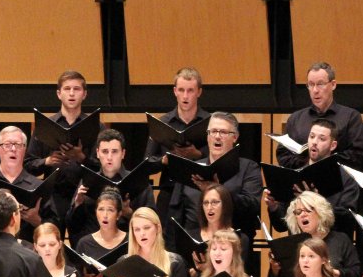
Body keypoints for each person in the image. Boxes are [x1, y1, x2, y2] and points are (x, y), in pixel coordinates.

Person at [168, 112, 263, 252]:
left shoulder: (248, 168)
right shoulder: (190, 168)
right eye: (213, 131)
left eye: (223, 132)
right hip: (193, 250)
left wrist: (218, 189)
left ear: (235, 137)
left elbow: (252, 206)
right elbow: (175, 215)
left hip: (234, 249)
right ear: (207, 136)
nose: (217, 136)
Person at [25, 69, 102, 218]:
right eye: (67, 89)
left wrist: (81, 158)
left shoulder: (97, 127)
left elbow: (103, 170)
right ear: (59, 94)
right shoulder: (45, 126)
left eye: (77, 89)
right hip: (52, 199)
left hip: (85, 197)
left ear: (84, 94)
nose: (72, 93)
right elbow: (28, 165)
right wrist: (47, 161)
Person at [264, 118, 360, 234]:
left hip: (333, 245)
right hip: (300, 245)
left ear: (333, 145)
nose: (314, 142)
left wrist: (316, 202)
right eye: (312, 136)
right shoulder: (294, 175)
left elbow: (348, 219)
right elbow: (281, 227)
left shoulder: (346, 178)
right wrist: (274, 208)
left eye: (322, 139)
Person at [0, 125, 58, 242]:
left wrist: (36, 220)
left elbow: (56, 227)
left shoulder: (39, 186)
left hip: (28, 254)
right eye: (7, 145)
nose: (13, 149)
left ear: (25, 150)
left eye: (18, 145)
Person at [144, 67, 211, 221]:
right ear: (175, 91)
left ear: (199, 92)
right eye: (181, 90)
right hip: (169, 192)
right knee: (167, 242)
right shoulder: (162, 123)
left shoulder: (210, 122)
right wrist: (165, 160)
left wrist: (198, 155)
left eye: (190, 91)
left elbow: (220, 160)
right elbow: (146, 163)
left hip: (201, 192)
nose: (185, 96)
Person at [66, 128, 153, 244]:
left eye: (115, 151)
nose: (109, 157)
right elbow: (72, 226)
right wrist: (78, 204)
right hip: (93, 248)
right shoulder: (88, 181)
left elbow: (152, 223)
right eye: (105, 151)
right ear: (97, 153)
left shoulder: (138, 181)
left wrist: (128, 214)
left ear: (123, 154)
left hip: (129, 247)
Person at [276, 61, 363, 168]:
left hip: (336, 180)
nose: (315, 90)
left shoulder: (351, 117)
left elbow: (355, 156)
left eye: (320, 84)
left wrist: (320, 163)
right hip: (301, 180)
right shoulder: (295, 118)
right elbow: (283, 155)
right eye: (311, 84)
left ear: (333, 85)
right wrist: (308, 163)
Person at [185, 183, 251, 277]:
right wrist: (193, 272)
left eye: (215, 202)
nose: (209, 207)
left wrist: (207, 270)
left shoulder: (240, 238)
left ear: (225, 205)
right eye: (205, 203)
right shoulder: (191, 236)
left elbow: (240, 274)